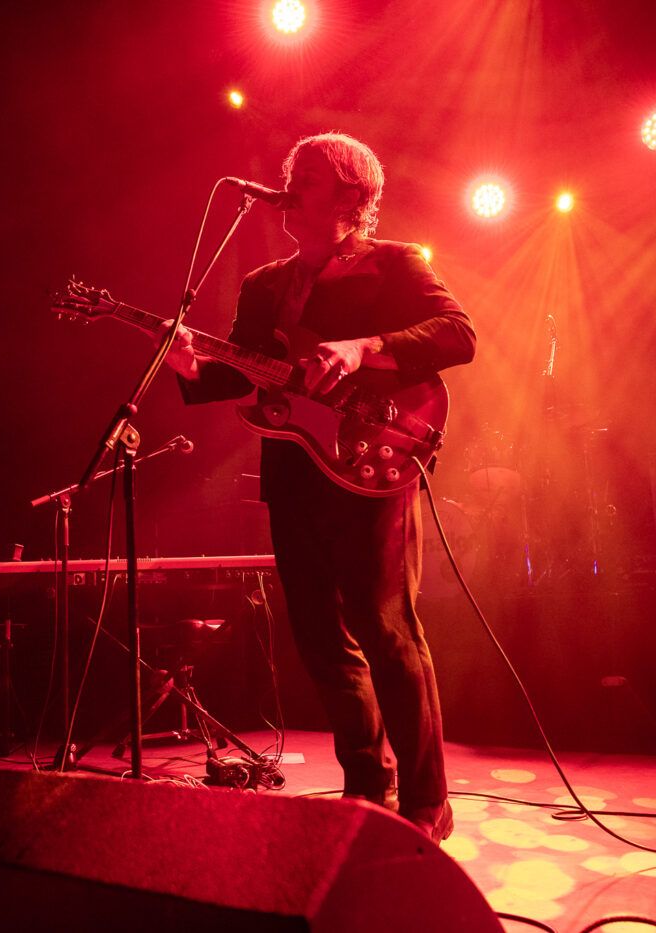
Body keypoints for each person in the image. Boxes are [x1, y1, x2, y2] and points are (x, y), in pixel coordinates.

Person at [164, 133, 475, 843]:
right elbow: (243, 373)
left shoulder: (394, 264)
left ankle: (429, 800)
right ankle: (366, 780)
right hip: (296, 469)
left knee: (387, 629)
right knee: (317, 638)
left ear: (350, 194)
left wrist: (365, 347)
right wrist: (190, 365)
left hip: (375, 463)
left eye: (303, 177)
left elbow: (458, 334)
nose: (285, 187)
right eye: (287, 175)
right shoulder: (265, 285)